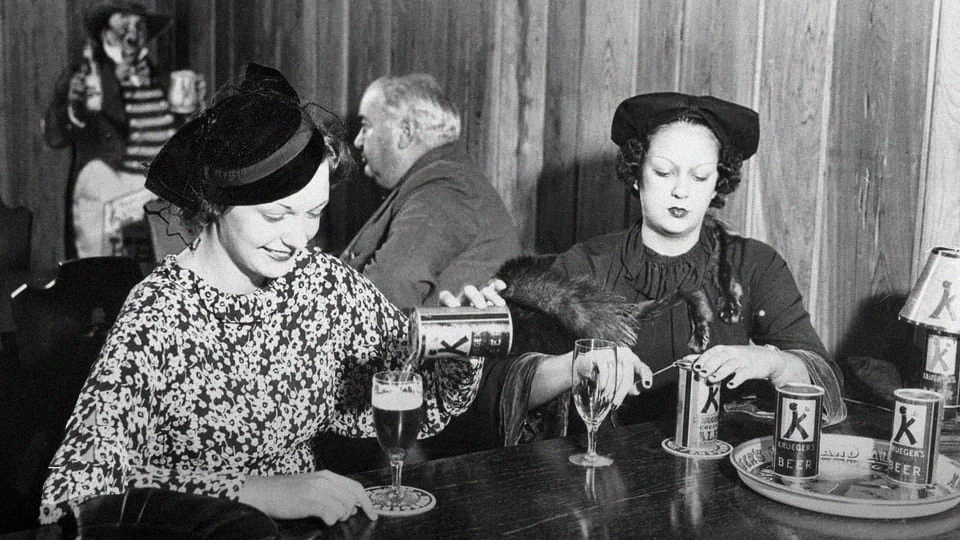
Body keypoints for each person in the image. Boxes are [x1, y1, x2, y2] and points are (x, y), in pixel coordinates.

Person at [39, 63, 488, 528]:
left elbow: (415, 396)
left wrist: (463, 341)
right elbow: (74, 493)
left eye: (313, 213)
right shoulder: (160, 314)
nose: (298, 238)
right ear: (216, 200)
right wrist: (250, 492)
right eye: (276, 216)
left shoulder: (320, 283)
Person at [448, 92, 846, 452]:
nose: (681, 191)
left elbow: (823, 379)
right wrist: (576, 365)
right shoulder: (585, 266)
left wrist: (772, 363)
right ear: (636, 175)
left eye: (700, 176)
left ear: (718, 184)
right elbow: (496, 390)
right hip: (603, 479)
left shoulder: (756, 265)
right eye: (663, 171)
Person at [342, 74, 520, 308]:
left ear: (405, 133)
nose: (357, 141)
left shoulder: (445, 187)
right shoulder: (437, 179)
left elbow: (389, 287)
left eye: (366, 127)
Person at [44, 0, 203, 260]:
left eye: (138, 27)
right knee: (105, 273)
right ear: (106, 33)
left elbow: (179, 139)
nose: (132, 35)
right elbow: (54, 135)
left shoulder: (162, 79)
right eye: (123, 26)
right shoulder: (86, 76)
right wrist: (76, 106)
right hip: (111, 192)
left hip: (160, 189)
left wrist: (195, 113)